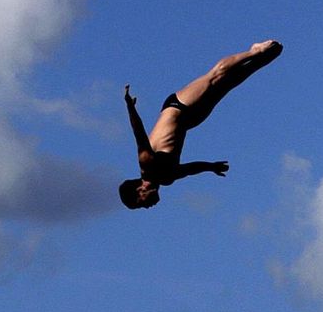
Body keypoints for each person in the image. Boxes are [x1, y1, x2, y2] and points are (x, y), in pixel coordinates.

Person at [120, 40, 283, 209]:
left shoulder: (147, 165)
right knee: (228, 84)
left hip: (179, 107)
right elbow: (190, 169)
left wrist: (130, 107)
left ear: (139, 191)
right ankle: (260, 61)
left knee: (216, 76)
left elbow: (138, 133)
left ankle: (254, 52)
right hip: (191, 119)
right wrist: (211, 167)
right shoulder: (167, 178)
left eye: (142, 204)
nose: (148, 207)